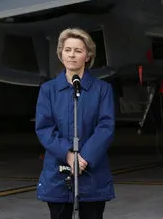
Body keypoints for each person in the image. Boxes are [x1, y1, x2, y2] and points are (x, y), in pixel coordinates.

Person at [35, 27, 116, 219]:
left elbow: (106, 127)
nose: (71, 55)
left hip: (92, 172)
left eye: (78, 51)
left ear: (88, 56)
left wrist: (84, 158)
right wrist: (68, 154)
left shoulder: (102, 89)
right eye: (67, 50)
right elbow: (44, 128)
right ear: (61, 53)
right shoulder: (48, 90)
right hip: (58, 171)